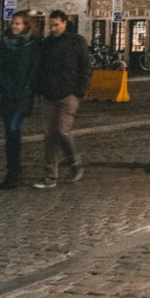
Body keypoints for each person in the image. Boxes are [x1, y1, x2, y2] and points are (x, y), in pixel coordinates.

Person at [33, 10, 91, 189]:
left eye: (56, 25)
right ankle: (51, 175)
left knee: (62, 131)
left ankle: (74, 161)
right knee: (50, 135)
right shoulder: (47, 44)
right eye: (50, 25)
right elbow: (41, 67)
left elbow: (86, 67)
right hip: (49, 94)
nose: (53, 28)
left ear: (65, 23)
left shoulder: (76, 41)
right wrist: (40, 88)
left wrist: (79, 91)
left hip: (69, 94)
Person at [0, 11, 39, 188]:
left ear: (26, 26)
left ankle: (15, 171)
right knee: (9, 132)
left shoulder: (32, 45)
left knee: (13, 128)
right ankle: (12, 170)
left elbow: (34, 69)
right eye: (13, 23)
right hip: (7, 93)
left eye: (18, 24)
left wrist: (28, 86)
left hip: (22, 94)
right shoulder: (5, 44)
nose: (14, 26)